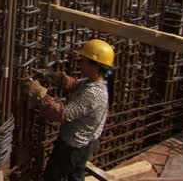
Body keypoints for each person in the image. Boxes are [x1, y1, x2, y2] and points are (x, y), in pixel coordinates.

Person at [23, 39, 116, 181]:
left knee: (53, 177)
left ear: (96, 66)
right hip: (84, 142)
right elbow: (74, 85)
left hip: (74, 146)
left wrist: (40, 94)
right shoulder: (92, 82)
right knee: (75, 176)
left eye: (84, 61)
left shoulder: (93, 93)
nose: (81, 63)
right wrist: (55, 77)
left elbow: (63, 114)